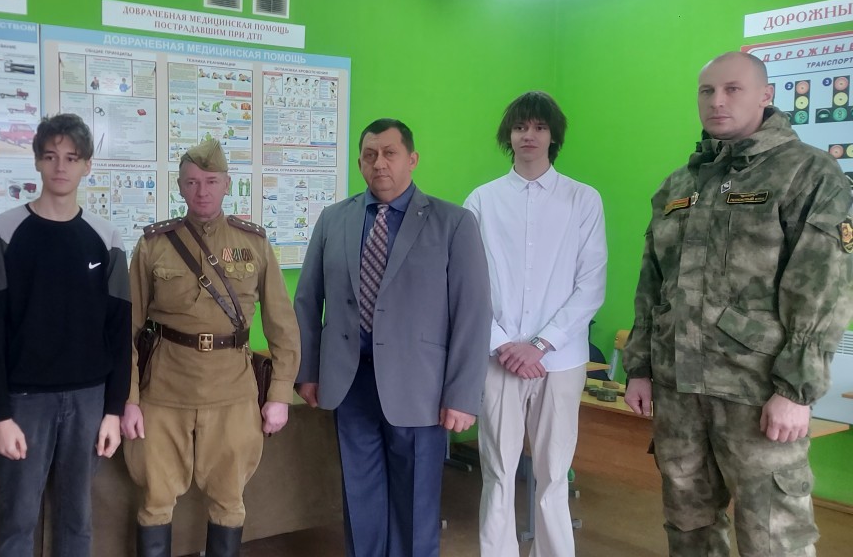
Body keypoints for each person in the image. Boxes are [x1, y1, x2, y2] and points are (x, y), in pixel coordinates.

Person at [623, 51, 853, 557]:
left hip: (757, 393)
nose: (717, 101)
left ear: (766, 96)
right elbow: (652, 284)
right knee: (688, 528)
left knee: (773, 538)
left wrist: (795, 390)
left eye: (733, 89)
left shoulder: (807, 172)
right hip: (679, 390)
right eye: (707, 91)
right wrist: (639, 367)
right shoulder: (680, 184)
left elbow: (823, 285)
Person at [294, 118, 490, 557]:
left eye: (389, 153)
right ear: (360, 163)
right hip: (350, 385)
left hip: (420, 390)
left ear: (412, 159)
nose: (379, 163)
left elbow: (473, 314)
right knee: (359, 501)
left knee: (415, 507)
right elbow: (307, 300)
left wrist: (462, 394)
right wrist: (307, 371)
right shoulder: (334, 220)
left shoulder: (453, 223)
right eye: (369, 155)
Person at [122, 138, 301, 557]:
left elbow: (283, 325)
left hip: (232, 393)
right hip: (164, 391)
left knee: (229, 500)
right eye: (192, 182)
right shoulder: (154, 245)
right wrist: (129, 399)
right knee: (155, 500)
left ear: (227, 185)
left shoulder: (254, 243)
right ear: (180, 188)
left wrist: (280, 395)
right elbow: (126, 329)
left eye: (211, 181)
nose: (201, 191)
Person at [0, 113, 130, 556]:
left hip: (89, 401)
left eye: (72, 158)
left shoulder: (107, 239)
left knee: (77, 520)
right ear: (37, 162)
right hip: (24, 403)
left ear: (87, 165)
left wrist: (114, 410)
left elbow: (119, 333)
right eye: (50, 156)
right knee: (17, 520)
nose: (60, 167)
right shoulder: (2, 233)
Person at [463, 92, 607, 557]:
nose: (529, 135)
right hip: (498, 359)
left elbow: (591, 285)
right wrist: (503, 344)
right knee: (498, 473)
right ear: (508, 135)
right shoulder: (482, 200)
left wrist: (540, 344)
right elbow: (467, 282)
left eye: (540, 127)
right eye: (521, 127)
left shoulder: (583, 200)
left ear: (553, 136)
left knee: (553, 476)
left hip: (559, 362)